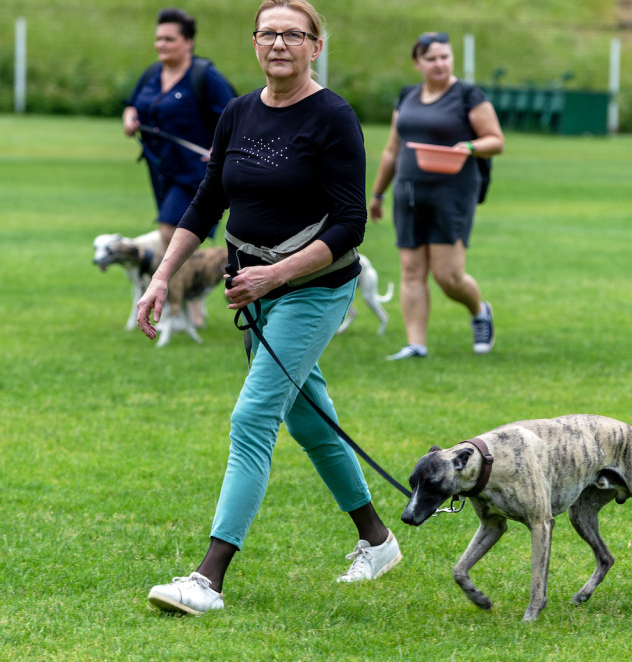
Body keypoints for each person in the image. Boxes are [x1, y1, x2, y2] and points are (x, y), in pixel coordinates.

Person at [136, 0, 401, 615]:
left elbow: (351, 224)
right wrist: (160, 278)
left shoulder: (333, 117)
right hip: (254, 295)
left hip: (313, 289)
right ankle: (376, 539)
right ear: (254, 44)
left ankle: (207, 579)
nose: (279, 43)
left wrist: (275, 274)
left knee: (253, 417)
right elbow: (205, 204)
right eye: (268, 33)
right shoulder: (236, 113)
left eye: (293, 34)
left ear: (315, 46)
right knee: (308, 417)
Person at [368, 32, 505, 360]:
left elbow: (495, 140)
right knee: (411, 269)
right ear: (417, 63)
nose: (439, 64)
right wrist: (377, 194)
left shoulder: (468, 95)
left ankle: (479, 310)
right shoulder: (408, 97)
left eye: (445, 56)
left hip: (452, 192)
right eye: (431, 59)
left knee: (449, 276)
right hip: (409, 190)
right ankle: (417, 344)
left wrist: (469, 146)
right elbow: (392, 150)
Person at [122, 8, 237, 252]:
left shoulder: (205, 76)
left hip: (195, 172)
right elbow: (132, 106)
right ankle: (180, 286)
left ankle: (170, 286)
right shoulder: (152, 73)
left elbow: (236, 117)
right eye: (158, 39)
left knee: (171, 230)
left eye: (169, 39)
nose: (161, 44)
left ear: (189, 42)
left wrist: (220, 148)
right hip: (161, 169)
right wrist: (130, 119)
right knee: (175, 238)